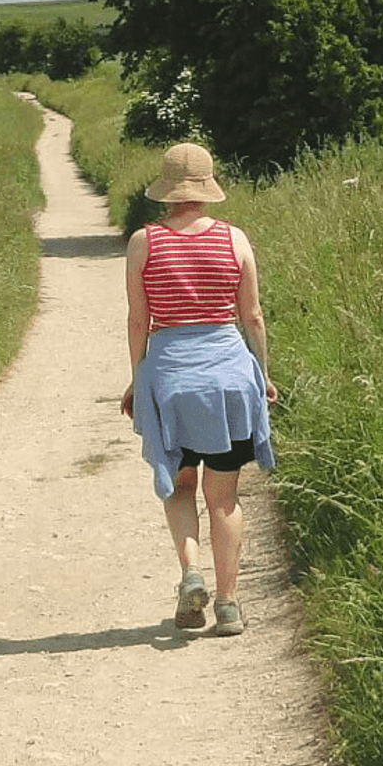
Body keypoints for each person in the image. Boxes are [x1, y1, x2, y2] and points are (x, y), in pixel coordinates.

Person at [120, 141, 276, 637]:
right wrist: (263, 374)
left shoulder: (145, 242)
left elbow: (139, 320)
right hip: (228, 376)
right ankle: (228, 604)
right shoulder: (234, 239)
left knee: (181, 486)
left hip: (172, 379)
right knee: (224, 498)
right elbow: (251, 316)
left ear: (166, 191)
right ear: (207, 190)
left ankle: (190, 573)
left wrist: (137, 378)